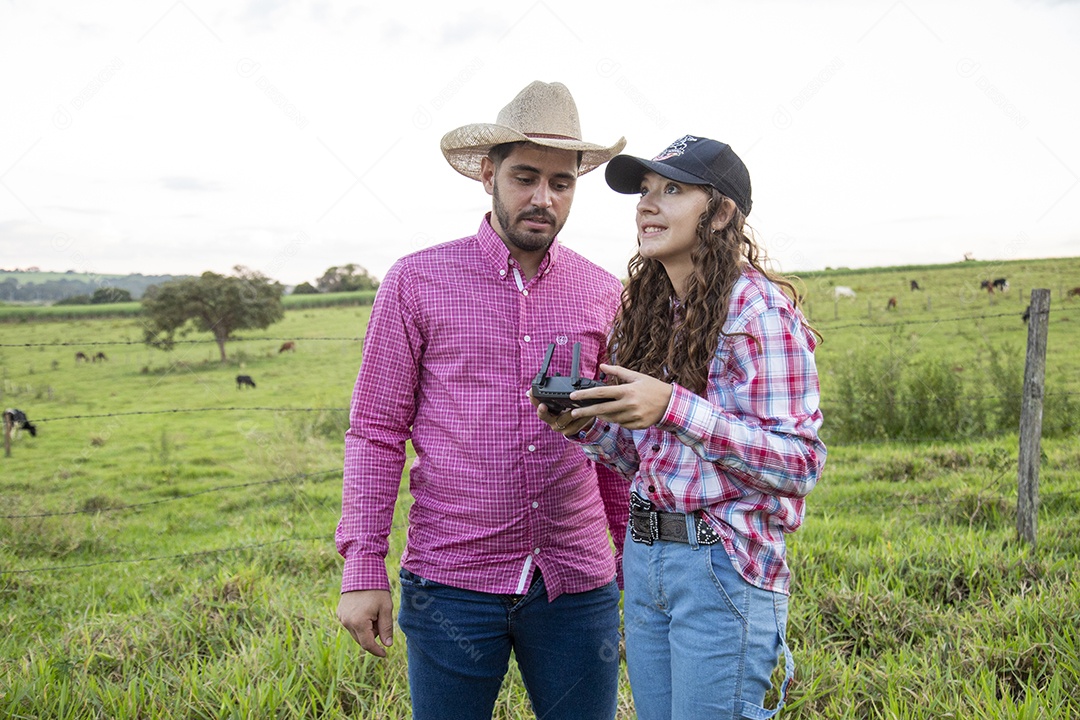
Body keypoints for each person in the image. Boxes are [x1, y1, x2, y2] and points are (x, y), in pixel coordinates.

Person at [335, 81, 629, 720]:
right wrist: (363, 567)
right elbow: (376, 432)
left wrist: (629, 558)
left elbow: (616, 443)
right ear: (488, 175)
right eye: (526, 177)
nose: (543, 198)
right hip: (451, 581)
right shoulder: (416, 282)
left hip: (577, 581)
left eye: (561, 182)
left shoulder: (603, 292)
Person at [534, 135, 826, 719]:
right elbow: (650, 460)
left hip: (721, 565)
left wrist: (672, 405)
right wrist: (584, 425)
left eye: (672, 189)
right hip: (645, 558)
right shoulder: (651, 312)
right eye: (645, 190)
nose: (647, 204)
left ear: (719, 212)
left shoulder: (757, 311)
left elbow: (799, 463)